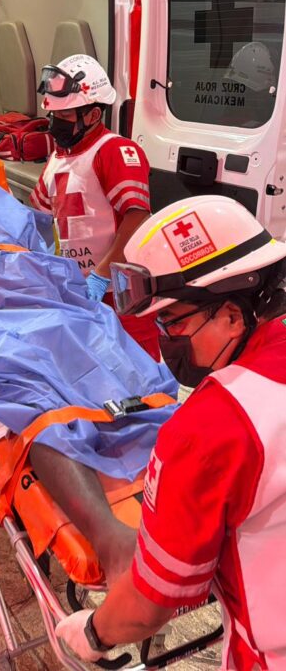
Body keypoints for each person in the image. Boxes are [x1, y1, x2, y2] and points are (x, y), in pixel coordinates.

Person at [56, 194, 286, 669]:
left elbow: (149, 605)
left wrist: (93, 633)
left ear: (232, 315)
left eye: (172, 321)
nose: (165, 341)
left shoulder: (210, 429)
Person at [29, 54, 160, 360]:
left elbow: (138, 218)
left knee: (138, 377)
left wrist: (101, 275)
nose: (55, 123)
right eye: (53, 114)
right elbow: (37, 219)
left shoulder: (114, 151)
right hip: (80, 294)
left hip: (122, 297)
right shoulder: (57, 159)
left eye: (64, 115)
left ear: (93, 115)